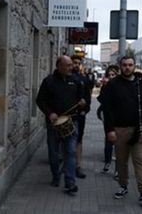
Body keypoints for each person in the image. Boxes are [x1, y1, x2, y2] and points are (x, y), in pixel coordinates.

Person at [102, 56, 142, 205]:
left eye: (130, 65)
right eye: (125, 65)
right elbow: (107, 110)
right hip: (120, 129)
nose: (127, 67)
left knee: (140, 161)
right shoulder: (113, 85)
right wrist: (110, 130)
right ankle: (123, 186)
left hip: (139, 129)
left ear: (134, 66)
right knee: (121, 161)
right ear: (120, 67)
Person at [36, 55, 86, 194]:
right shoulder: (49, 81)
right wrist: (49, 113)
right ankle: (56, 175)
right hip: (54, 123)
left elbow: (83, 100)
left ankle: (70, 182)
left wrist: (83, 104)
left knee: (70, 151)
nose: (72, 67)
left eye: (71, 65)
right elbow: (40, 100)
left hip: (71, 122)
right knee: (54, 152)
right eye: (68, 65)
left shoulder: (76, 81)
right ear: (59, 66)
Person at [70, 55, 92, 179]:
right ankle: (67, 164)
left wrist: (85, 109)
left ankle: (78, 166)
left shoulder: (84, 79)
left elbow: (88, 97)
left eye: (78, 63)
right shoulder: (66, 78)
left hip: (80, 115)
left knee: (79, 140)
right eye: (74, 62)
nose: (76, 65)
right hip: (68, 115)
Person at [97, 65, 119, 173]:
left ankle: (118, 169)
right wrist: (104, 87)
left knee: (119, 142)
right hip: (108, 117)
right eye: (109, 75)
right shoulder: (106, 87)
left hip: (120, 117)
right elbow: (101, 99)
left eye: (113, 75)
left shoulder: (121, 86)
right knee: (109, 139)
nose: (111, 77)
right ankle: (107, 161)